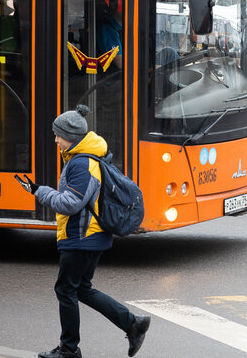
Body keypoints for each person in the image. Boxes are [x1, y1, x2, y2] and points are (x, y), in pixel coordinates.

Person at [14, 105, 150, 358]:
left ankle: (69, 349)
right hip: (90, 236)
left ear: (72, 137)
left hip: (81, 237)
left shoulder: (81, 163)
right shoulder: (84, 158)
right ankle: (133, 324)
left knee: (66, 289)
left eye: (58, 135)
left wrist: (38, 191)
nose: (55, 139)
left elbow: (70, 203)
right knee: (81, 288)